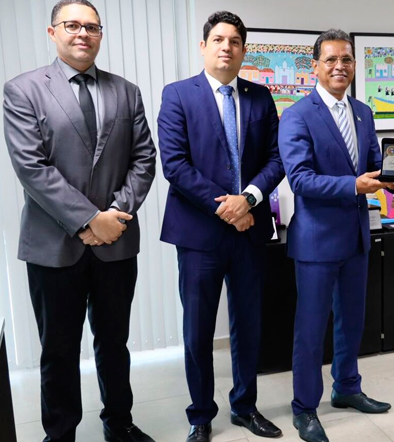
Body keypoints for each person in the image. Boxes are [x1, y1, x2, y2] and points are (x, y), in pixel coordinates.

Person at [2, 1, 157, 441]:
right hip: (53, 246)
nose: (83, 34)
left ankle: (119, 424)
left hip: (116, 243)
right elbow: (31, 168)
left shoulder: (126, 91)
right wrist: (89, 220)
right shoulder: (23, 90)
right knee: (59, 349)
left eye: (92, 27)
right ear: (53, 32)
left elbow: (144, 159)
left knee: (114, 344)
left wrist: (115, 217)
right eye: (72, 25)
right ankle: (60, 434)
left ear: (101, 35)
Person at [157, 10, 284, 442]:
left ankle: (245, 407)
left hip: (249, 231)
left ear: (243, 50)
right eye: (218, 39)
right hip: (199, 235)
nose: (226, 47)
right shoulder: (178, 95)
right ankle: (200, 414)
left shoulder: (260, 97)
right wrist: (227, 207)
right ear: (203, 46)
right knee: (198, 329)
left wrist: (248, 199)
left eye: (234, 41)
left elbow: (276, 159)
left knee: (248, 325)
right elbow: (175, 165)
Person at [278, 28, 394, 442]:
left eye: (346, 59)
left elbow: (375, 163)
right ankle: (304, 408)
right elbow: (300, 179)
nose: (339, 66)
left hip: (356, 238)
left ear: (354, 65)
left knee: (352, 322)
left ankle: (346, 387)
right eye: (331, 59)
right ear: (315, 67)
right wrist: (353, 186)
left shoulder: (363, 112)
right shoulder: (296, 115)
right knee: (311, 331)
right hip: (316, 241)